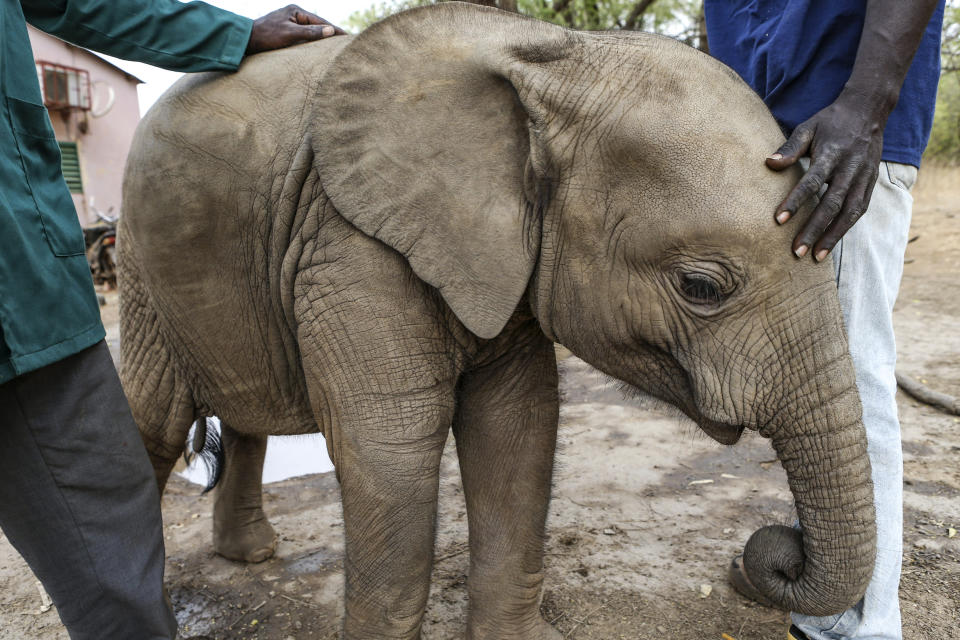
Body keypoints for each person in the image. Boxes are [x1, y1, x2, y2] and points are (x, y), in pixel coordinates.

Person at [0, 2, 343, 638]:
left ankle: (234, 513)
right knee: (139, 453)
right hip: (28, 297)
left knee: (111, 522)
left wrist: (232, 35)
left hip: (26, 293)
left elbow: (86, 3)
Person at [702, 1, 946, 639]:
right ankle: (823, 581)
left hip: (835, 135)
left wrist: (866, 107)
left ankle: (856, 627)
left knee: (843, 381)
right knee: (803, 387)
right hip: (749, 136)